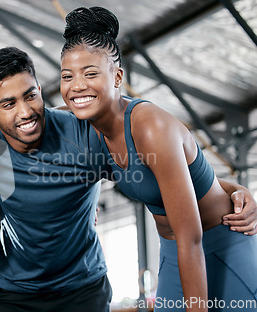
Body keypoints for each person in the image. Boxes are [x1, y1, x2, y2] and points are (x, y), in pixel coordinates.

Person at [0, 47, 257, 312]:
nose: (25, 112)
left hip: (83, 289)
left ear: (41, 89)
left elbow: (161, 173)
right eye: (7, 104)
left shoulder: (84, 135)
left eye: (31, 95)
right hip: (14, 292)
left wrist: (231, 189)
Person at [59, 6, 257, 312]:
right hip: (174, 253)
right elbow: (25, 119)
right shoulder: (88, 126)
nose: (77, 86)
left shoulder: (150, 126)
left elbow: (191, 238)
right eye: (67, 76)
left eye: (91, 73)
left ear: (117, 77)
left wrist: (237, 192)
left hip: (218, 246)